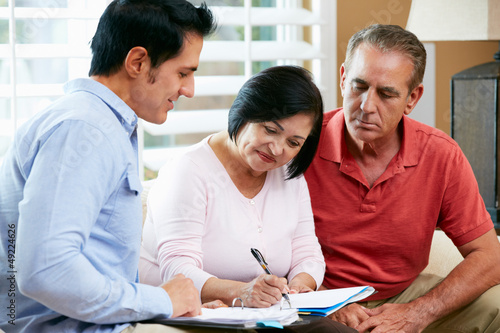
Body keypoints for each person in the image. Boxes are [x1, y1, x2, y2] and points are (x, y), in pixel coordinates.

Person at [0, 1, 217, 332]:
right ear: (137, 62)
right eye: (183, 73)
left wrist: (171, 303)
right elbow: (45, 269)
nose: (188, 89)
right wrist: (161, 301)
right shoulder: (87, 129)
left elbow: (95, 262)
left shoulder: (96, 123)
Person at [304, 24, 500, 332]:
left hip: (404, 295)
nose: (367, 106)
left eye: (386, 94)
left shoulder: (441, 154)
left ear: (412, 98)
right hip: (317, 298)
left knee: (496, 305)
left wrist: (419, 312)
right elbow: (258, 244)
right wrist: (326, 303)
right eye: (358, 86)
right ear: (343, 78)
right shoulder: (299, 143)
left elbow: (489, 257)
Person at [139, 65, 356, 333]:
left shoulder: (289, 174)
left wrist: (301, 284)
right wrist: (243, 291)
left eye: (293, 142)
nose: (277, 149)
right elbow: (177, 270)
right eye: (270, 130)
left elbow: (307, 249)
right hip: (200, 312)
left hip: (266, 312)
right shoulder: (188, 171)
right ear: (244, 111)